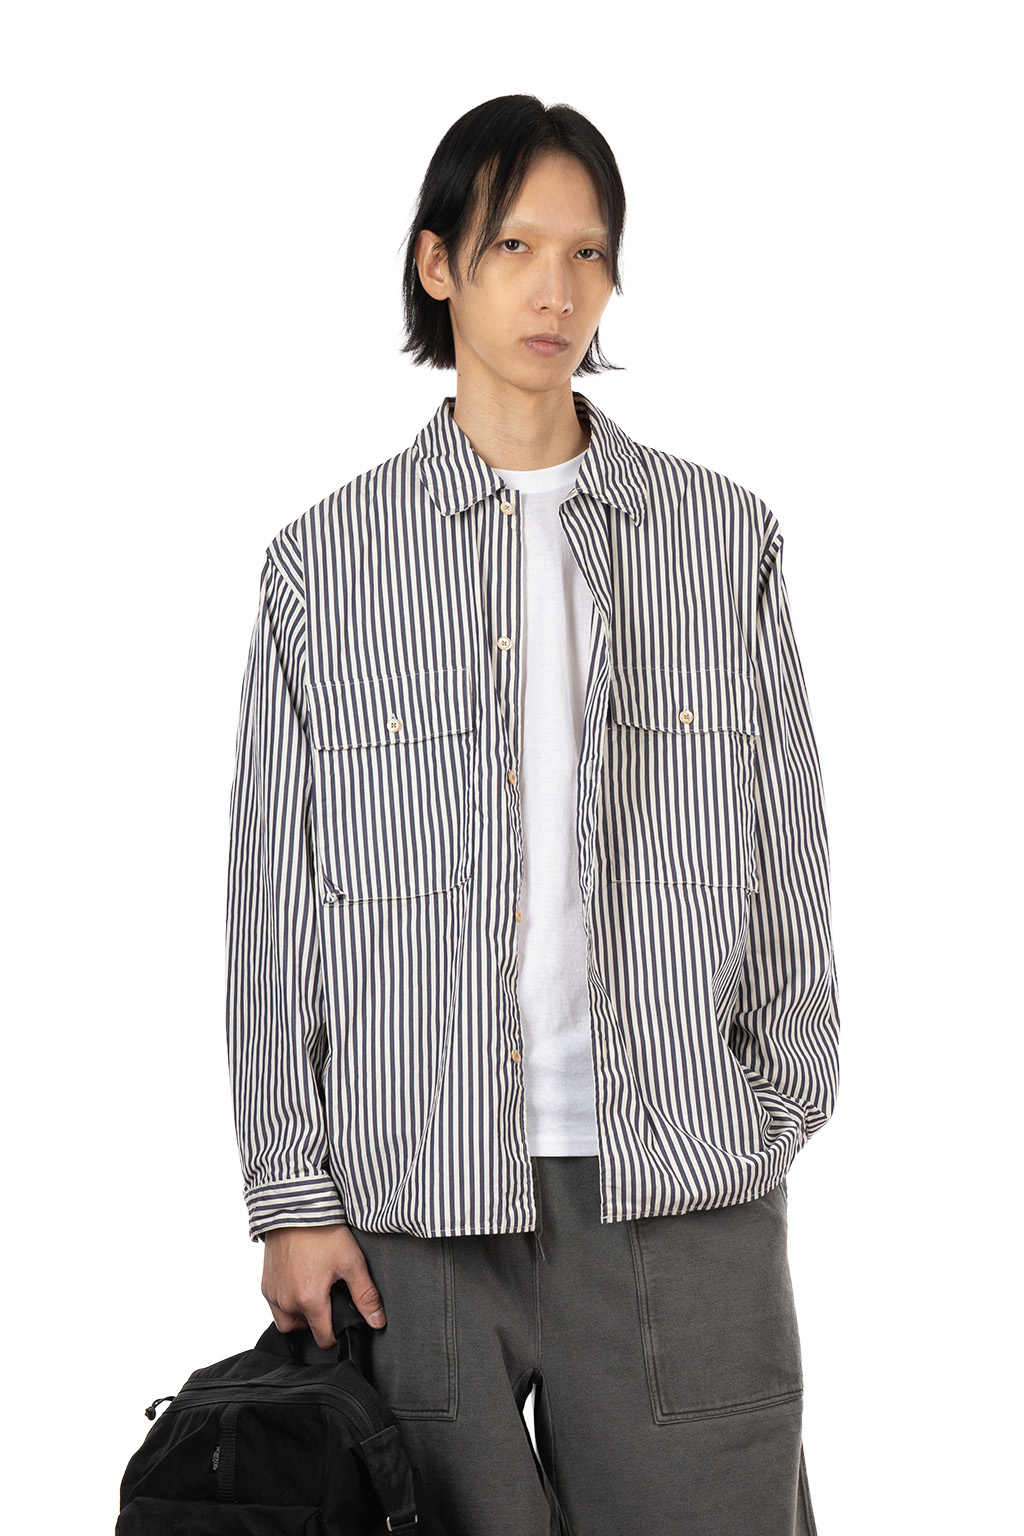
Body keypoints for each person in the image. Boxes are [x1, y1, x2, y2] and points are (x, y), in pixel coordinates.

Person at [225, 93, 840, 1536]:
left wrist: (772, 1104)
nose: (556, 289)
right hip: (414, 1203)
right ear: (439, 263)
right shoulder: (325, 565)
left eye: (587, 253)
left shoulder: (721, 540)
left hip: (681, 1181)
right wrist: (291, 1195)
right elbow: (271, 903)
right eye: (514, 246)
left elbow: (791, 848)